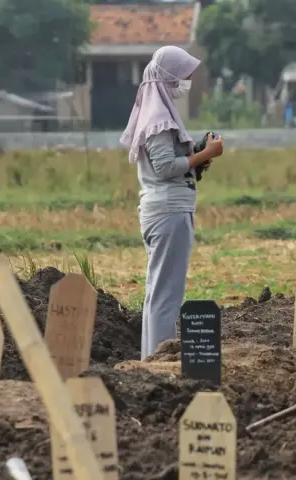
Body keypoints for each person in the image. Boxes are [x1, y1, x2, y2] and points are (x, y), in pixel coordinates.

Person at [120, 45, 223, 360]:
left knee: (157, 293)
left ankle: (150, 360)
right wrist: (206, 154)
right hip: (168, 212)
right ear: (168, 78)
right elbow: (165, 167)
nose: (186, 83)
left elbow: (170, 163)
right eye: (183, 77)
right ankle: (159, 362)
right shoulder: (159, 119)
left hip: (162, 209)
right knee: (166, 297)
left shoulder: (156, 113)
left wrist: (196, 157)